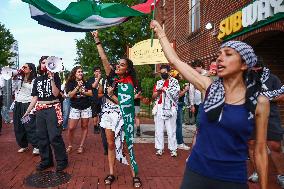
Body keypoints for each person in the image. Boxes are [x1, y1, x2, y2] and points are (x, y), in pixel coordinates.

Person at [151, 20, 269, 189]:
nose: (220, 58)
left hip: (233, 178)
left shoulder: (259, 101)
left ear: (244, 64)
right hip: (196, 172)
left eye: (228, 54)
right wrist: (161, 33)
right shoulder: (209, 87)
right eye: (219, 54)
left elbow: (260, 150)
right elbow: (175, 61)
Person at [92, 31, 142, 188]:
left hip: (123, 114)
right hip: (108, 113)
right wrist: (97, 39)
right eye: (117, 64)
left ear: (127, 69)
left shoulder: (131, 83)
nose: (117, 66)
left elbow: (124, 103)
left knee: (127, 144)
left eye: (122, 64)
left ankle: (134, 175)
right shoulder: (111, 75)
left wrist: (112, 96)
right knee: (111, 144)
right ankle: (112, 172)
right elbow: (104, 58)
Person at [24, 56, 68, 172]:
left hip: (53, 108)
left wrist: (52, 79)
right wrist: (27, 111)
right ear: (40, 65)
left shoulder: (56, 76)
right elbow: (35, 97)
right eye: (43, 63)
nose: (45, 65)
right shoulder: (37, 80)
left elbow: (56, 93)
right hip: (40, 110)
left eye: (47, 63)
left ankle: (62, 161)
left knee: (54, 136)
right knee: (41, 136)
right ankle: (46, 161)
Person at [248, 60, 284, 188]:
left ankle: (281, 175)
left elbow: (282, 96)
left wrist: (265, 98)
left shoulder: (273, 78)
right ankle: (258, 171)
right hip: (251, 115)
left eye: (258, 68)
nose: (256, 70)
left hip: (270, 115)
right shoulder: (247, 79)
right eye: (253, 68)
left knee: (274, 145)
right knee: (252, 143)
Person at [152, 65, 180, 157]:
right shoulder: (159, 82)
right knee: (158, 129)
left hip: (170, 108)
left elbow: (176, 94)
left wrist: (165, 90)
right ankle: (159, 148)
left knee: (171, 129)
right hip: (159, 107)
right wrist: (159, 92)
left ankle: (173, 149)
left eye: (165, 72)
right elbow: (153, 96)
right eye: (161, 72)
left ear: (169, 72)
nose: (163, 74)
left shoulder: (174, 82)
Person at [13, 63, 39, 155]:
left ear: (31, 69)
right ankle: (23, 145)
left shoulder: (34, 80)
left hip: (27, 105)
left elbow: (34, 93)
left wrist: (31, 109)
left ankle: (36, 146)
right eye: (22, 67)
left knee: (28, 125)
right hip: (18, 105)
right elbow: (12, 89)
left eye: (25, 67)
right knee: (18, 125)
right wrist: (14, 79)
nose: (23, 68)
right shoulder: (19, 79)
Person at [65, 66, 92, 154]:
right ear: (74, 73)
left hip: (86, 107)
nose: (81, 73)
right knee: (71, 128)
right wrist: (77, 88)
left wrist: (83, 91)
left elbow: (91, 93)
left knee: (84, 127)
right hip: (75, 107)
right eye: (78, 72)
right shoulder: (70, 83)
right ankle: (70, 145)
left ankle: (81, 146)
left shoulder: (85, 82)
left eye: (81, 72)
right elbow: (70, 95)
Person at [176, 78, 190, 150]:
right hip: (177, 105)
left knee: (177, 125)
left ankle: (176, 142)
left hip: (179, 104)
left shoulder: (178, 82)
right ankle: (179, 143)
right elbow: (178, 95)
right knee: (178, 125)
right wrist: (185, 90)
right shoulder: (175, 83)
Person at [87, 66, 102, 134]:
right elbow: (93, 86)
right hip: (94, 99)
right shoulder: (91, 79)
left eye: (99, 71)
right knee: (95, 114)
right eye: (96, 71)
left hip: (102, 99)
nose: (98, 72)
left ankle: (101, 125)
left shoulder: (103, 79)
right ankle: (95, 127)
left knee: (102, 113)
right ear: (94, 72)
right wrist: (98, 78)